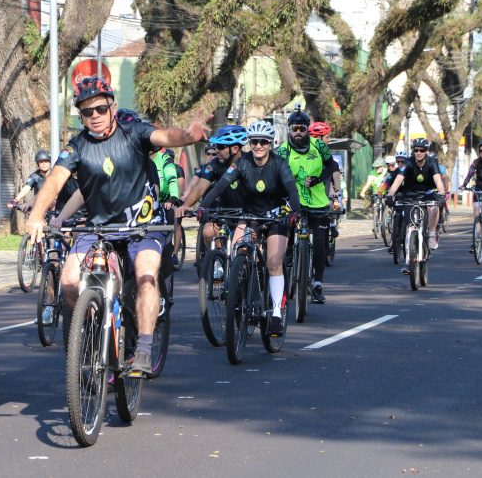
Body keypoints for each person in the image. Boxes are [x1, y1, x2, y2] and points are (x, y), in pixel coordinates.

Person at [25, 77, 211, 375]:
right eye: (87, 112)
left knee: (146, 279)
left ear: (112, 106)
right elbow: (55, 180)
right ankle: (94, 331)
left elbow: (165, 137)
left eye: (100, 108)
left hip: (143, 228)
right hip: (99, 230)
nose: (95, 116)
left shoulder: (134, 132)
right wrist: (37, 215)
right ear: (81, 116)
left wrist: (189, 135)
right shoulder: (76, 148)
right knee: (70, 281)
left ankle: (144, 348)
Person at [195, 120, 300, 335]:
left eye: (263, 142)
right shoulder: (242, 163)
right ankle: (242, 298)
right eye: (254, 142)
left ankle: (277, 313)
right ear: (249, 143)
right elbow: (221, 185)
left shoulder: (280, 163)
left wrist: (295, 212)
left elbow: (292, 189)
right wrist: (202, 207)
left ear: (270, 143)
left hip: (275, 219)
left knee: (272, 262)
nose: (258, 146)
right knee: (237, 254)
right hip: (250, 217)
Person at [278, 111, 339, 303]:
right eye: (294, 128)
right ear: (289, 130)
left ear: (307, 131)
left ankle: (317, 284)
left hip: (317, 201)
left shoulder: (318, 145)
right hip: (290, 200)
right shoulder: (282, 150)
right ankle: (288, 257)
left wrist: (318, 180)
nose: (298, 132)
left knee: (321, 242)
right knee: (283, 233)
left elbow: (332, 166)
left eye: (301, 129)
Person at [180, 125, 247, 277]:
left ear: (235, 149)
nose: (216, 150)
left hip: (247, 214)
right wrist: (185, 206)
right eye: (216, 146)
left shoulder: (249, 162)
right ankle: (221, 261)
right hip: (225, 212)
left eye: (220, 147)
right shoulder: (214, 164)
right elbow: (200, 188)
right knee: (208, 231)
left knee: (248, 250)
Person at [388, 138, 446, 274]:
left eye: (422, 150)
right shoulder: (407, 162)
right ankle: (408, 261)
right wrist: (390, 195)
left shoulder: (432, 162)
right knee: (410, 228)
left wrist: (442, 194)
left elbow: (437, 179)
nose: (418, 153)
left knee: (434, 208)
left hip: (427, 193)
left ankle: (431, 234)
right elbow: (398, 179)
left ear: (427, 151)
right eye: (416, 150)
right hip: (410, 195)